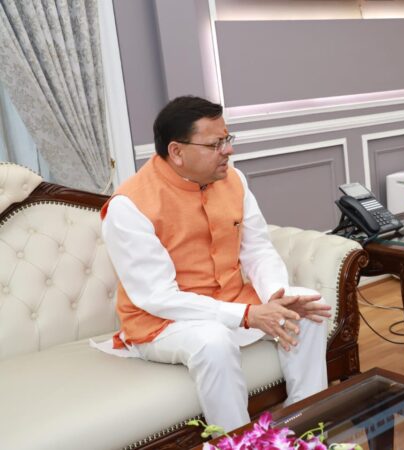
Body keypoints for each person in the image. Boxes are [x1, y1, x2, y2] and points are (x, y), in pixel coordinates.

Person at [94, 95, 331, 432]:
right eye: (215, 144)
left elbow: (258, 250)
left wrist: (276, 296)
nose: (228, 151)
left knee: (307, 307)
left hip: (232, 301)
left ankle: (304, 426)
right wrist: (247, 315)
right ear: (177, 152)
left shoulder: (234, 180)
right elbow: (158, 297)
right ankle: (237, 441)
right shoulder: (129, 206)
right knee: (213, 340)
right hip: (164, 322)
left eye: (227, 139)